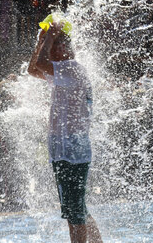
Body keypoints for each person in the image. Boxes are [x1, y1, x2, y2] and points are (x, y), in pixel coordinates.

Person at [28, 19, 103, 243]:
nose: (48, 52)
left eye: (52, 47)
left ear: (64, 49)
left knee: (75, 211)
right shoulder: (63, 71)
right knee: (76, 207)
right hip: (64, 147)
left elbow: (40, 63)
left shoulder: (72, 68)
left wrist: (50, 35)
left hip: (72, 148)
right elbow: (32, 70)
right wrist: (42, 40)